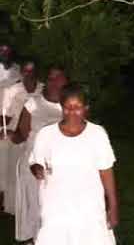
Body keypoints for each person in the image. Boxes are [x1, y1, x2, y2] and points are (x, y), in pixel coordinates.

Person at [29, 83, 118, 245]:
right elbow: (34, 162)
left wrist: (113, 207)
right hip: (56, 209)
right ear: (61, 107)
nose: (72, 112)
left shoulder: (97, 134)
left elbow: (106, 171)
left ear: (86, 108)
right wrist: (37, 168)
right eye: (67, 107)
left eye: (77, 107)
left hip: (89, 209)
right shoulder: (46, 134)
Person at [3, 66, 67, 243]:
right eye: (50, 78)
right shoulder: (32, 104)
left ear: (66, 80)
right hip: (31, 166)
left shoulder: (70, 105)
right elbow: (21, 136)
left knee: (53, 210)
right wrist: (8, 134)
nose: (53, 82)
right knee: (34, 209)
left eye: (58, 77)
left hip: (59, 167)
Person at [1, 61, 43, 215]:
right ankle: (13, 206)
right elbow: (5, 117)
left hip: (35, 133)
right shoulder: (12, 90)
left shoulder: (42, 89)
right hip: (15, 131)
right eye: (25, 71)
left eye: (31, 71)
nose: (28, 74)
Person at [0, 44, 20, 210]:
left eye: (7, 51)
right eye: (1, 51)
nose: (4, 54)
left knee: (9, 161)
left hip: (12, 118)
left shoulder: (18, 71)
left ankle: (8, 201)